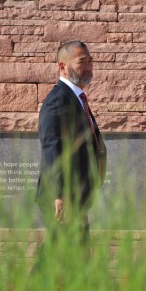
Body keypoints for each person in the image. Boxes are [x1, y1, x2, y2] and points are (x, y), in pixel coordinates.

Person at [34, 41, 107, 265]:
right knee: (58, 254)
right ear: (63, 67)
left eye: (90, 61)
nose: (88, 66)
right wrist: (60, 193)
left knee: (77, 258)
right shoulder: (58, 100)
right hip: (65, 198)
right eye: (81, 61)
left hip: (76, 196)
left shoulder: (75, 99)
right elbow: (52, 146)